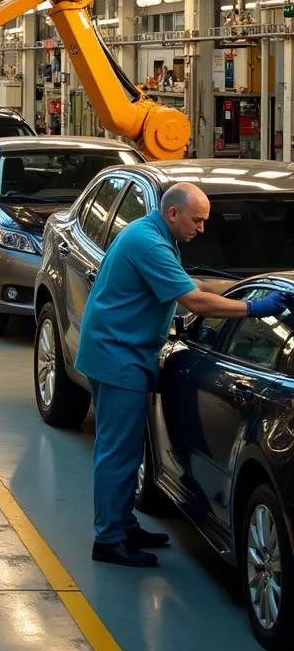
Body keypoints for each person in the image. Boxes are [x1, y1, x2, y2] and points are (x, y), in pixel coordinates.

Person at [77, 182, 294, 568]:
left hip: (124, 352)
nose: (202, 228)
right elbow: (193, 300)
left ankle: (123, 524)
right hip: (117, 356)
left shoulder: (158, 235)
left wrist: (240, 292)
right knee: (117, 452)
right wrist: (255, 308)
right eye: (197, 220)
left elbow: (192, 284)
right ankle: (108, 539)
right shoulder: (149, 243)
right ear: (174, 213)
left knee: (126, 451)